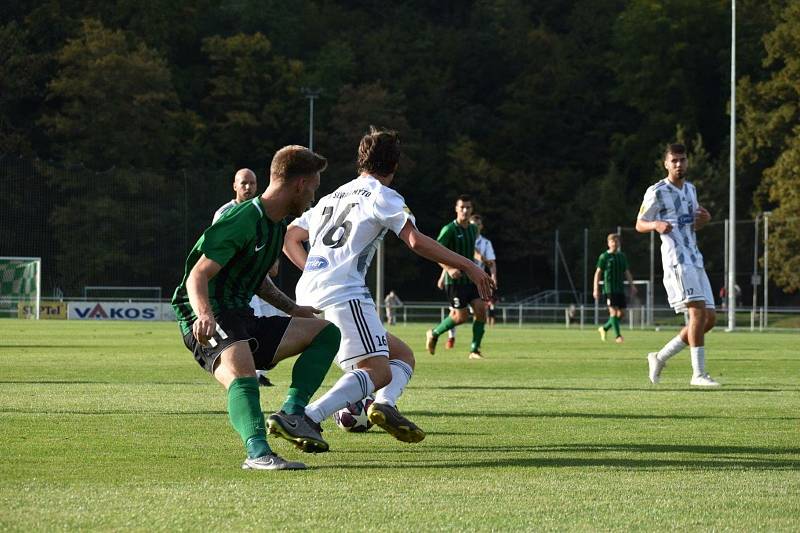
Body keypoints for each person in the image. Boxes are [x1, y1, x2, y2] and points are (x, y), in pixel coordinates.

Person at [283, 126, 494, 443]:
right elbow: (415, 241)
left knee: (403, 356)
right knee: (379, 371)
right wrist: (468, 265)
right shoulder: (383, 196)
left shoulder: (333, 195)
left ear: (360, 161)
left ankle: (383, 404)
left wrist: (314, 269)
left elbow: (291, 237)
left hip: (309, 293)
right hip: (344, 294)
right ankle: (305, 417)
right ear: (394, 166)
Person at [171, 145, 341, 471]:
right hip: (207, 312)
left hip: (241, 313)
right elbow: (197, 275)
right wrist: (204, 315)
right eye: (314, 188)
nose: (313, 198)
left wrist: (294, 309)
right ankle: (259, 453)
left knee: (326, 333)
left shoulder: (276, 227)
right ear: (299, 184)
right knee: (244, 374)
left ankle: (292, 413)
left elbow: (259, 281)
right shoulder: (243, 218)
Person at [636, 143, 720, 387]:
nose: (679, 164)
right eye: (674, 161)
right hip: (677, 260)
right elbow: (640, 223)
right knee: (696, 313)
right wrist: (656, 225)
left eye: (682, 160)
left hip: (695, 257)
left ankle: (660, 356)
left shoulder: (691, 190)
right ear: (666, 163)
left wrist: (705, 220)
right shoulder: (657, 191)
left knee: (710, 319)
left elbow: (693, 224)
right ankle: (699, 374)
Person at [212, 168, 277, 387]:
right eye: (243, 183)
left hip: (256, 281)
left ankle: (256, 372)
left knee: (261, 327)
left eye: (252, 183)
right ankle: (246, 374)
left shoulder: (262, 212)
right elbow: (218, 251)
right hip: (235, 284)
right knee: (241, 327)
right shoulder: (225, 213)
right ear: (235, 186)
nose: (248, 187)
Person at [426, 195, 489, 360]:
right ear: (456, 209)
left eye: (468, 207)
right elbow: (435, 252)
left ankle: (474, 350)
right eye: (462, 207)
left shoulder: (473, 229)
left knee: (481, 311)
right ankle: (433, 333)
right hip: (454, 281)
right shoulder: (449, 230)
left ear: (471, 210)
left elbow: (469, 249)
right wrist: (449, 268)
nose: (465, 211)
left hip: (470, 279)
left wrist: (481, 258)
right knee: (460, 317)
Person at [444, 214, 498, 347]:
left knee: (480, 311)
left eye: (478, 224)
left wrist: (493, 276)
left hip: (476, 281)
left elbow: (491, 262)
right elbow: (446, 256)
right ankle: (444, 335)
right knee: (458, 315)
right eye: (474, 224)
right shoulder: (460, 236)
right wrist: (445, 273)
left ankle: (475, 349)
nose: (476, 227)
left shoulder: (485, 242)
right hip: (458, 281)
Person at [593, 233, 636, 343]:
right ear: (608, 243)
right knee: (613, 312)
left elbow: (627, 272)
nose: (615, 243)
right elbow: (598, 273)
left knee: (621, 314)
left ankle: (604, 328)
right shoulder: (604, 257)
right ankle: (618, 336)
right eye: (613, 241)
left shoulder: (622, 256)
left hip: (620, 288)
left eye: (617, 241)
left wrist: (632, 286)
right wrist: (596, 289)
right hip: (609, 289)